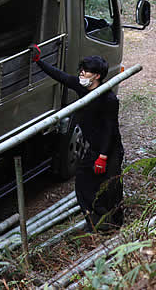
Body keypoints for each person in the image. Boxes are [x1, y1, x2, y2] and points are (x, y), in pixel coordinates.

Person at [33, 49, 123, 231]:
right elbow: (61, 76)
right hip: (94, 148)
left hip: (110, 150)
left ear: (97, 75)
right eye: (81, 69)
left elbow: (110, 129)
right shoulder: (82, 87)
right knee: (83, 183)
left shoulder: (109, 98)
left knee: (110, 187)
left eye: (86, 70)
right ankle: (95, 220)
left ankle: (113, 223)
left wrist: (103, 156)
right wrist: (38, 61)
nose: (81, 73)